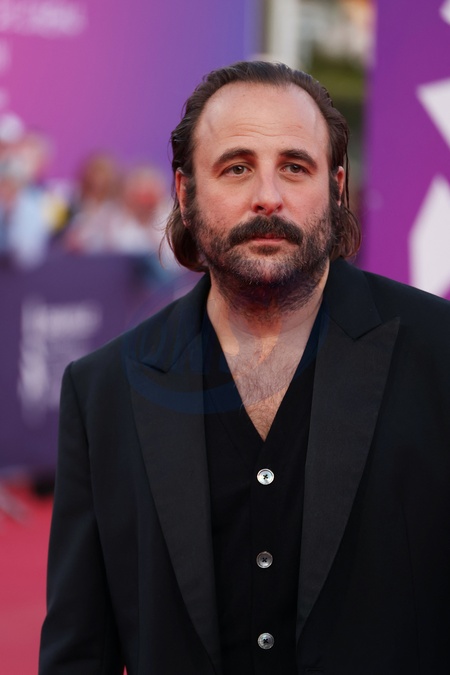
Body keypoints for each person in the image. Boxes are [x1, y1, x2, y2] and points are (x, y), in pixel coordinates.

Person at [39, 61, 450, 674]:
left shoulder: (439, 356)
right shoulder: (103, 392)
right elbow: (78, 651)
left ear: (336, 188)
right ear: (185, 193)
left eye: (295, 166)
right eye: (236, 167)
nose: (268, 196)